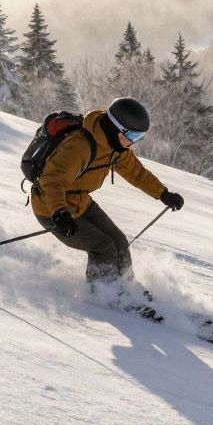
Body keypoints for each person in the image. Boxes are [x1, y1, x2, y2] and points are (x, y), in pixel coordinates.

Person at [31, 97, 184, 295]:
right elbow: (52, 180)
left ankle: (127, 286)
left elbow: (136, 172)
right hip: (50, 207)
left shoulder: (115, 146)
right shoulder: (80, 146)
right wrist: (60, 213)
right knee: (103, 247)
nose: (133, 143)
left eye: (139, 138)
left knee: (119, 241)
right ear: (116, 128)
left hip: (81, 202)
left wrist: (163, 194)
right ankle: (104, 294)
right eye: (132, 136)